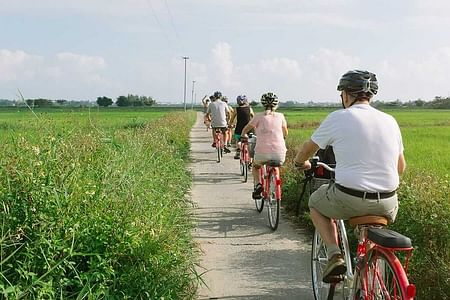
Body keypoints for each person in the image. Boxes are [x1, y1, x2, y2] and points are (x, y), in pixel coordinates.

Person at [294, 70, 406, 283]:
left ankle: (334, 254)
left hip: (349, 198)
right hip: (388, 202)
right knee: (370, 232)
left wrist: (300, 163)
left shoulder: (338, 117)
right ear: (371, 95)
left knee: (316, 203)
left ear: (345, 95)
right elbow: (401, 167)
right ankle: (371, 271)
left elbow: (308, 149)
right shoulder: (390, 120)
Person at [241, 92, 288, 199]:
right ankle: (275, 184)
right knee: (275, 163)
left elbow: (246, 129)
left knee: (256, 166)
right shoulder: (281, 116)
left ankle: (258, 185)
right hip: (280, 154)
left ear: (263, 104)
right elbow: (285, 132)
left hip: (262, 153)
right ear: (276, 105)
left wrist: (243, 135)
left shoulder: (258, 116)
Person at [228, 95, 254, 159]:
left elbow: (232, 119)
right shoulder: (249, 109)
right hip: (249, 129)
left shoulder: (236, 109)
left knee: (238, 139)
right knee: (249, 141)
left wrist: (230, 124)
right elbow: (253, 117)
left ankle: (238, 151)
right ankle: (250, 158)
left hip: (239, 129)